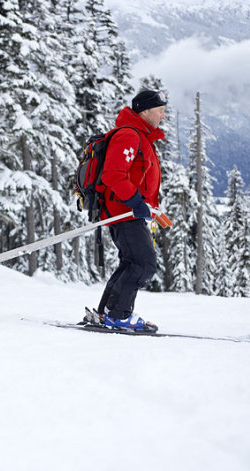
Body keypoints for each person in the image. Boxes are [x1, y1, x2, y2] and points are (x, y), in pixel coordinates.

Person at [95, 89, 167, 331]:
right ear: (144, 111)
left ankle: (107, 313)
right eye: (160, 111)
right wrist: (136, 202)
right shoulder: (129, 135)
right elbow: (113, 175)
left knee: (131, 262)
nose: (163, 116)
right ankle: (119, 315)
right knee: (143, 264)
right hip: (124, 211)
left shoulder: (141, 136)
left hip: (129, 210)